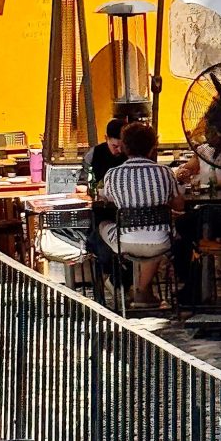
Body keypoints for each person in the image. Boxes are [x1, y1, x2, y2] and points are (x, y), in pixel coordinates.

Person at [91, 122, 184, 306]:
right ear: (152, 147)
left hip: (125, 242)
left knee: (102, 226)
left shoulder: (113, 175)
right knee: (159, 229)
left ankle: (117, 279)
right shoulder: (165, 172)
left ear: (124, 146)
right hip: (161, 242)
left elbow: (107, 200)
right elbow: (179, 205)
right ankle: (140, 289)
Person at [80, 118, 126, 186]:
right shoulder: (94, 154)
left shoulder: (132, 154)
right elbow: (84, 182)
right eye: (115, 146)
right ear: (106, 138)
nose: (120, 150)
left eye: (123, 146)